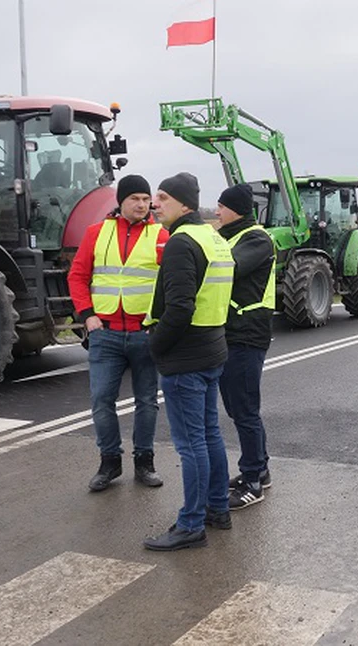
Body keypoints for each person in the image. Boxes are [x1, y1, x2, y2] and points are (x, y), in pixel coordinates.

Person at [143, 172, 235, 551]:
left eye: (162, 198)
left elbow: (180, 307)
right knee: (209, 435)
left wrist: (155, 348)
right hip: (212, 348)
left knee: (191, 443)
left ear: (183, 204)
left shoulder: (181, 242)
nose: (154, 204)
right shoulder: (213, 237)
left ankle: (191, 525)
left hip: (185, 356)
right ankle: (217, 509)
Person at [67, 174, 169, 492]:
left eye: (145, 198)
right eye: (134, 199)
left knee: (147, 402)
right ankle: (109, 462)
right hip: (106, 334)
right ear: (121, 201)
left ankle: (144, 462)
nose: (142, 204)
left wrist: (160, 321)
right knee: (101, 401)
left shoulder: (161, 235)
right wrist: (87, 315)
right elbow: (78, 275)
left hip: (144, 333)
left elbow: (171, 281)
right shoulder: (97, 233)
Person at [214, 184, 276, 509]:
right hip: (232, 334)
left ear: (236, 209)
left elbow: (228, 268)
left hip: (247, 335)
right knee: (240, 409)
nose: (216, 212)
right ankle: (259, 469)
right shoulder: (230, 236)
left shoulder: (256, 239)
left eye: (221, 207)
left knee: (245, 410)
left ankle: (253, 481)